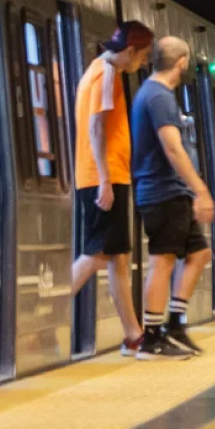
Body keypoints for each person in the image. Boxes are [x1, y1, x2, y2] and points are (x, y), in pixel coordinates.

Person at [71, 20, 154, 355]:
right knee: (95, 254)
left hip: (104, 175)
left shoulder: (95, 68)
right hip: (103, 178)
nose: (143, 63)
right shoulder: (107, 73)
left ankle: (134, 335)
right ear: (130, 51)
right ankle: (39, 316)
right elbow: (96, 127)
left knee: (116, 259)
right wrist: (105, 180)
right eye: (143, 55)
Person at [130, 36, 215, 358]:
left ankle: (175, 322)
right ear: (181, 62)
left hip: (172, 192)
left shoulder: (158, 94)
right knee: (163, 261)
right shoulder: (158, 96)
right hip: (162, 191)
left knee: (199, 253)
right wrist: (201, 189)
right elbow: (172, 147)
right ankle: (151, 339)